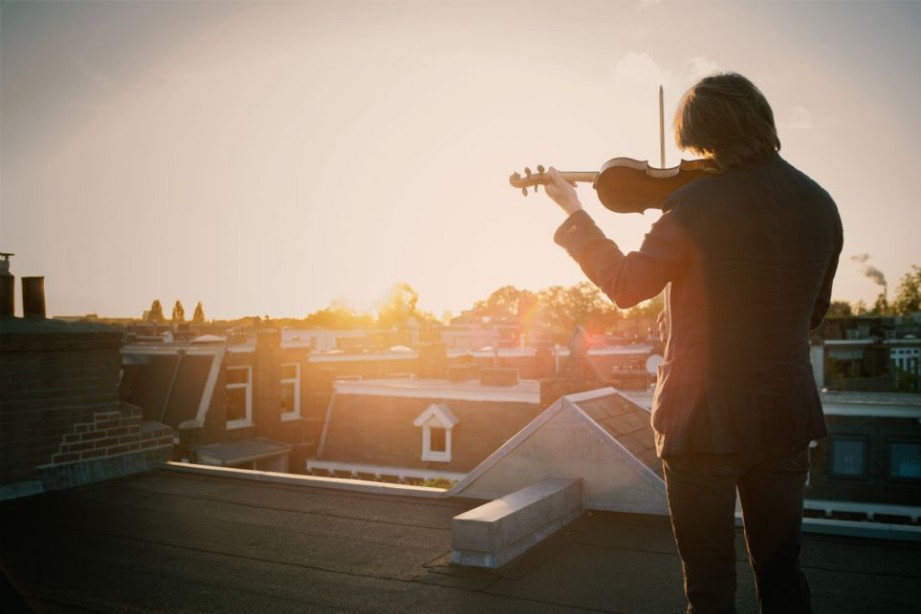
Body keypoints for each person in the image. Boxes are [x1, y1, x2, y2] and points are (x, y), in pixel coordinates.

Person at [542, 72, 843, 613]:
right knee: (783, 573)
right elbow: (813, 313)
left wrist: (575, 213)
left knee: (709, 585)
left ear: (707, 135)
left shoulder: (695, 204)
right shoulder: (820, 203)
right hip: (786, 416)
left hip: (701, 419)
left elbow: (626, 285)